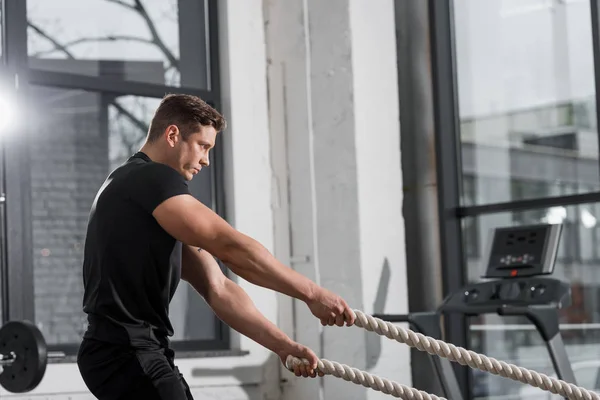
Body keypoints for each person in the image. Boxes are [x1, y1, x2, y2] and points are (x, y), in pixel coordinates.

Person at [76, 93, 356, 400]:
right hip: (127, 351)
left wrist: (282, 345)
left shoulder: (133, 189)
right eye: (203, 146)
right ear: (172, 135)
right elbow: (231, 247)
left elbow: (218, 286)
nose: (206, 160)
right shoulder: (150, 179)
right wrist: (312, 294)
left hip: (129, 352)